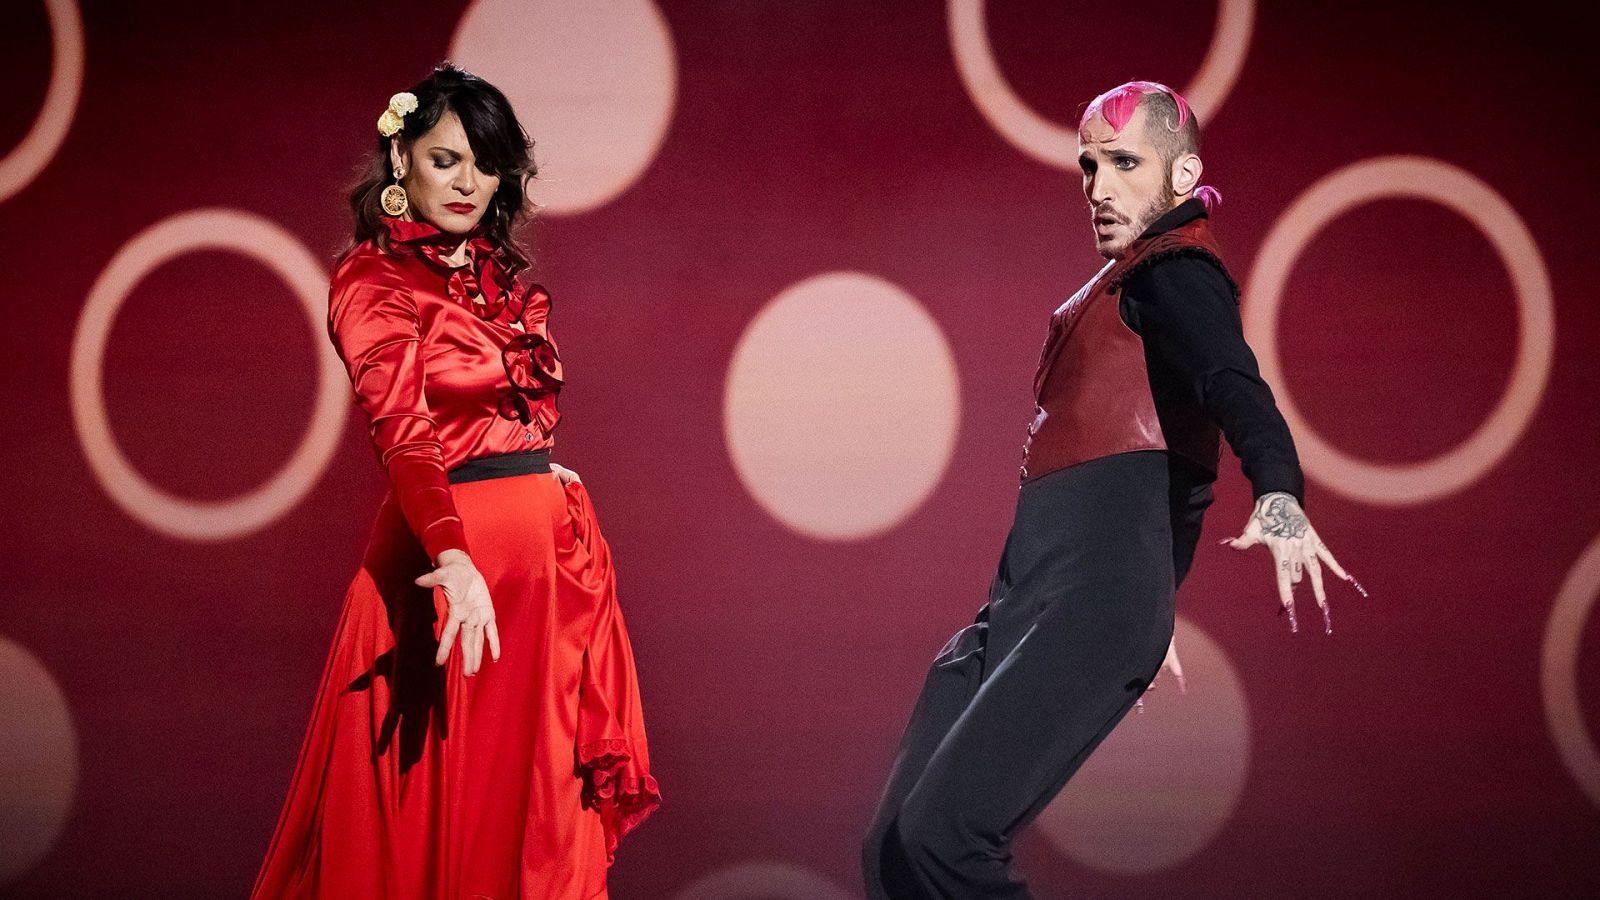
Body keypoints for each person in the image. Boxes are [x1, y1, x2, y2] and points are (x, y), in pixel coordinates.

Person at [861, 80, 1361, 899]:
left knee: (944, 843)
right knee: (894, 854)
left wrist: (1279, 494)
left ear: (1181, 173)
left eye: (1124, 162)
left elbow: (1234, 386)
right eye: (1088, 165)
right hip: (1023, 604)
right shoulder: (1123, 286)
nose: (1097, 186)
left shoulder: (1176, 271)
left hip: (1087, 606)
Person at [252, 64, 659, 900]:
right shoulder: (375, 281)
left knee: (539, 809)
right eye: (446, 160)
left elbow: (485, 412)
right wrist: (459, 557)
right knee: (438, 824)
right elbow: (405, 436)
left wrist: (531, 459)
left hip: (539, 582)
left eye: (486, 162)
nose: (468, 181)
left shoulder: (491, 279)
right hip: (448, 587)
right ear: (401, 161)